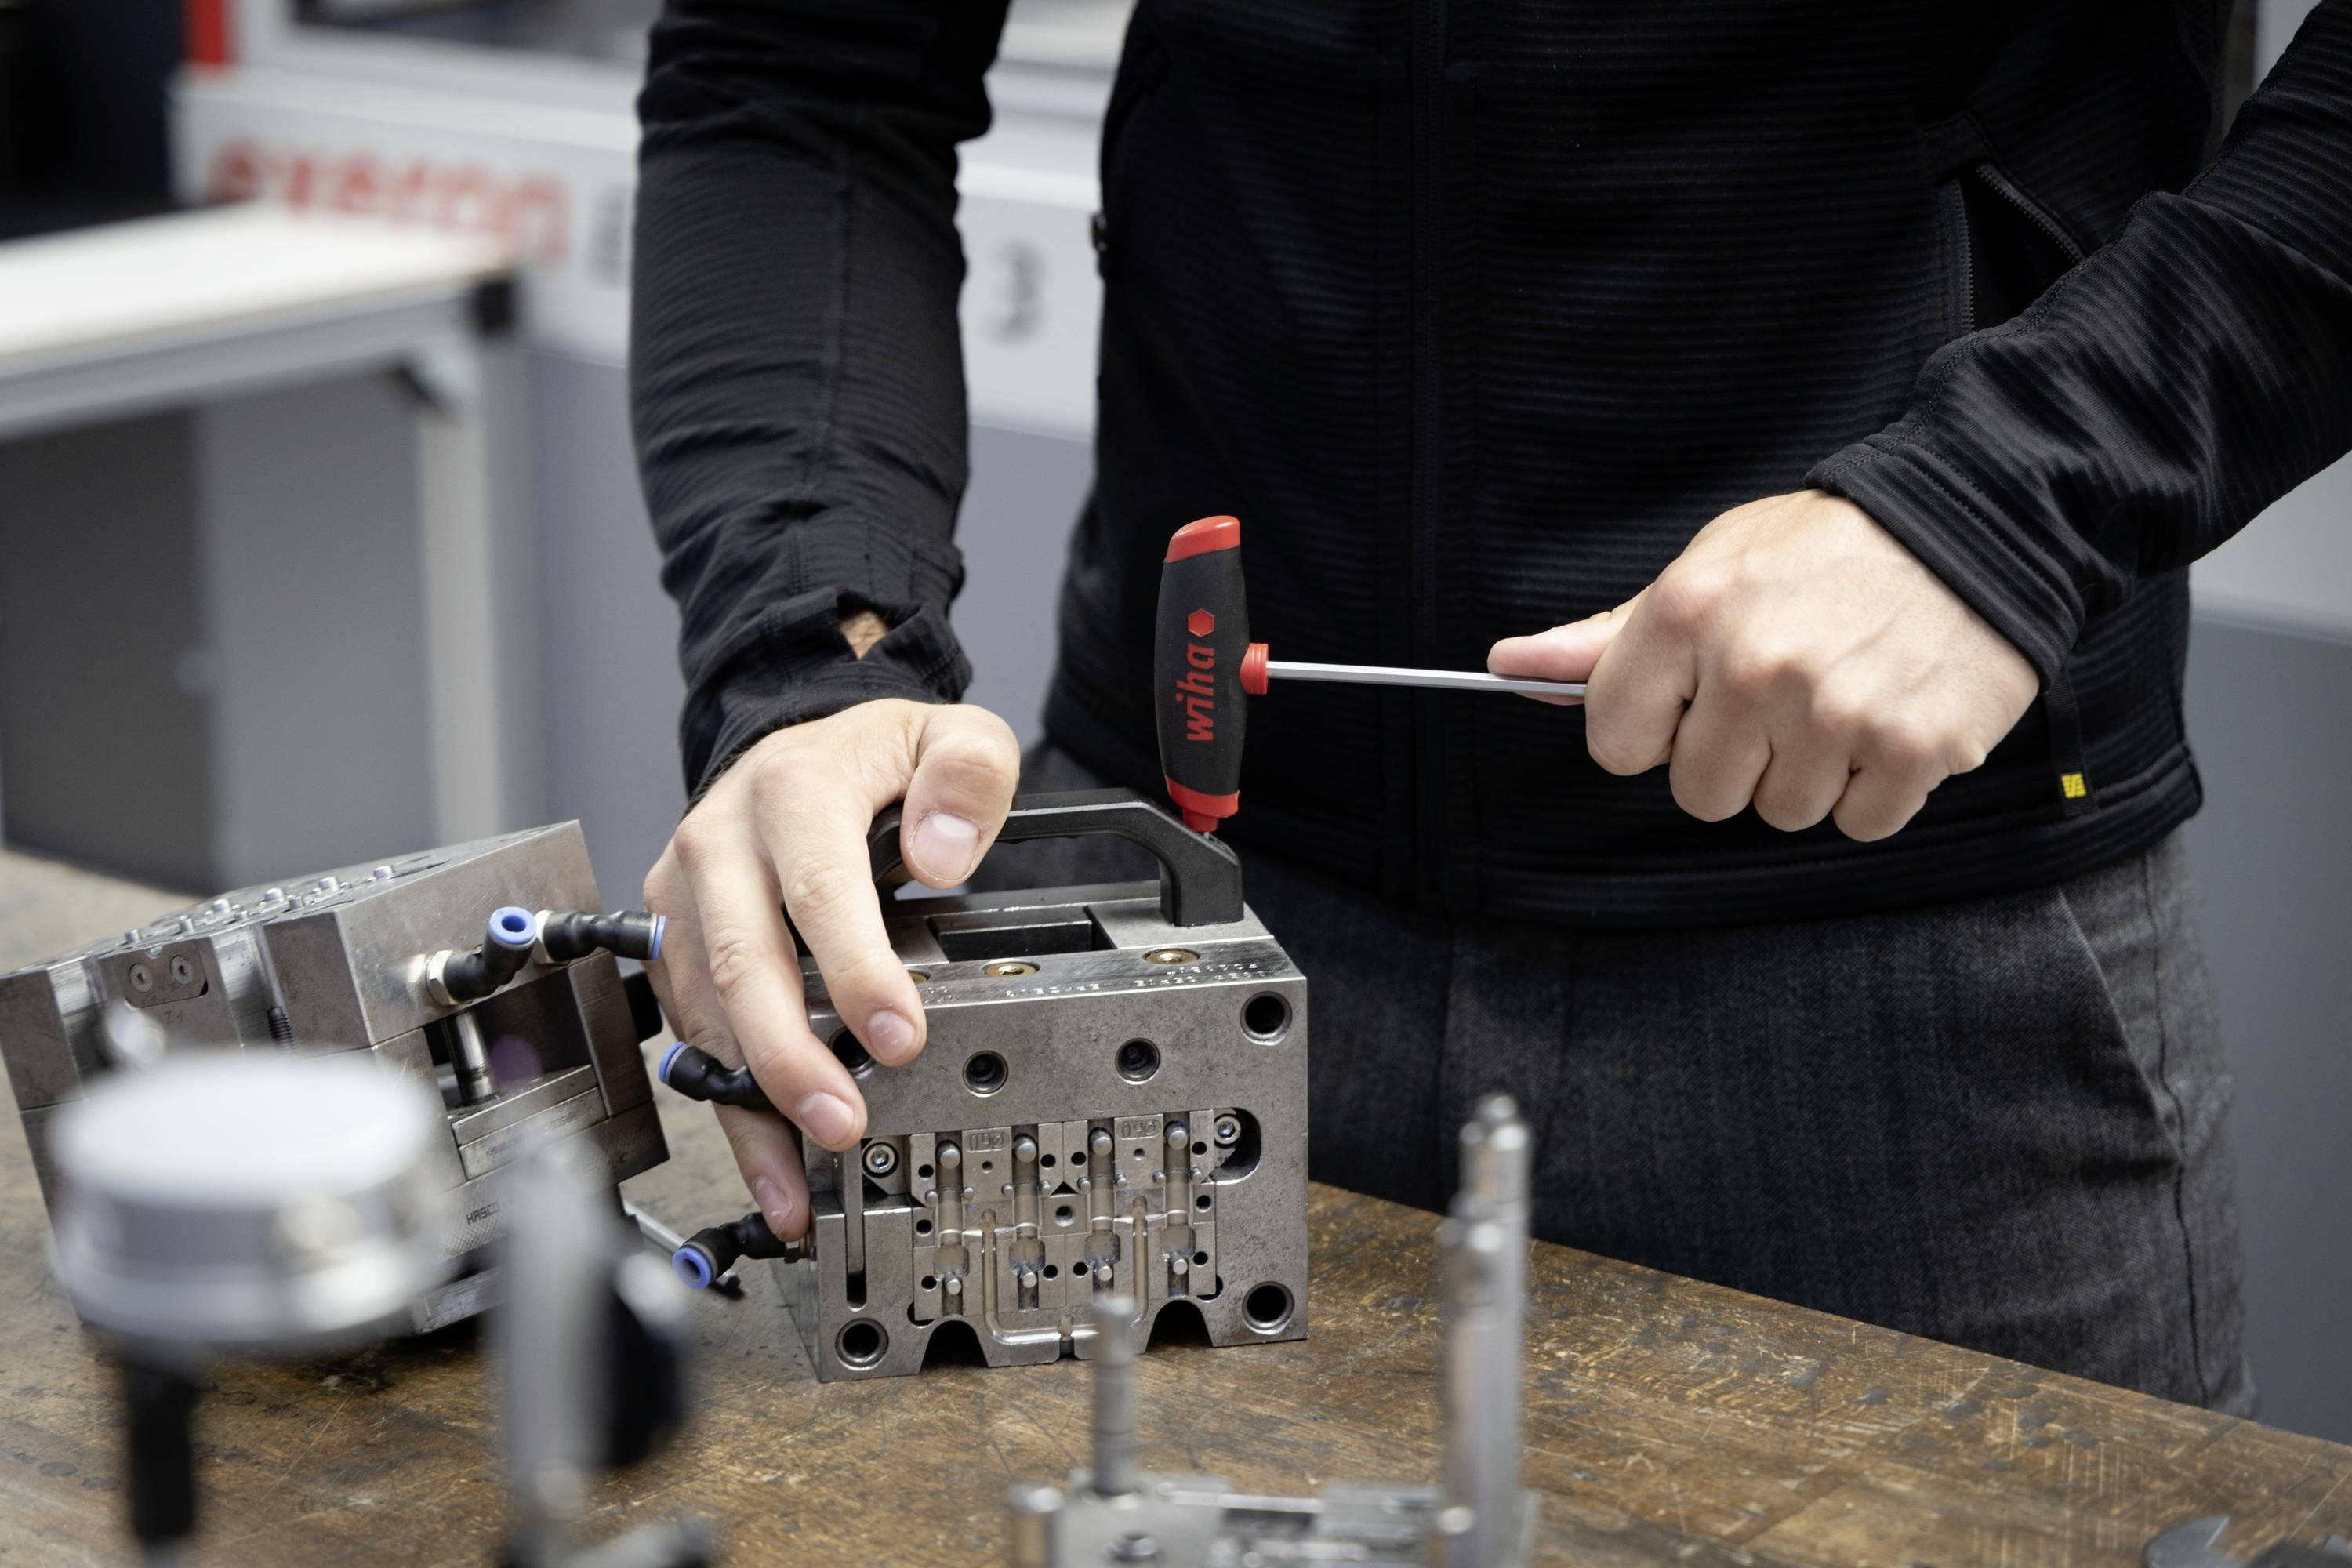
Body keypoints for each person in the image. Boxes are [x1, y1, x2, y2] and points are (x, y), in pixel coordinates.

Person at [627, 1, 2352, 1412]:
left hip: (1916, 1005)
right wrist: (812, 657)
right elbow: (804, 73)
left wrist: (2013, 492)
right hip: (1155, 907)